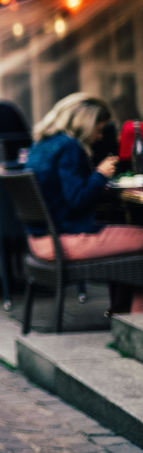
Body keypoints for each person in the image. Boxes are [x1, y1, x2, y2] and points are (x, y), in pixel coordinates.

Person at [24, 93, 143, 314]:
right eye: (99, 129)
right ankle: (137, 319)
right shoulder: (68, 146)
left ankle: (122, 312)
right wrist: (100, 174)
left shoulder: (41, 144)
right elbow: (77, 199)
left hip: (40, 240)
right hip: (64, 241)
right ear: (85, 123)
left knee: (129, 241)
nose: (99, 137)